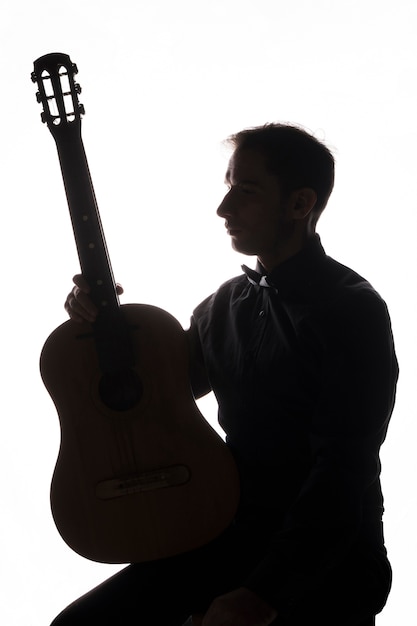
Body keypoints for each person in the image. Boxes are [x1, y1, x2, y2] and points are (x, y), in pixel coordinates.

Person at [52, 123, 398, 626]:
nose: (224, 208)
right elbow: (153, 399)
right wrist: (96, 321)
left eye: (247, 191)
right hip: (228, 537)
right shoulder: (219, 308)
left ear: (301, 204)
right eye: (228, 186)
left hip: (327, 559)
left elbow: (344, 471)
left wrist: (261, 596)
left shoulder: (351, 310)